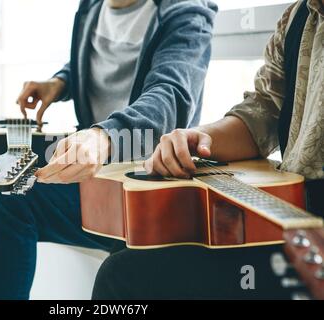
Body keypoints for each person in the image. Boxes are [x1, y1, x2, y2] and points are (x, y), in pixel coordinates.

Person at [0, 0, 217, 299]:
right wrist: (59, 83)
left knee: (6, 194)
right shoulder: (92, 6)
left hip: (139, 183)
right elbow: (96, 62)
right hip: (90, 161)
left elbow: (169, 97)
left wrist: (104, 136)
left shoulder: (187, 12)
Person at [92, 0, 324, 300]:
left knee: (123, 275)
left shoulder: (186, 10)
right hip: (293, 218)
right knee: (138, 241)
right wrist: (197, 138)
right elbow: (264, 111)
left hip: (303, 238)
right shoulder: (298, 16)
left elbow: (169, 90)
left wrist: (104, 137)